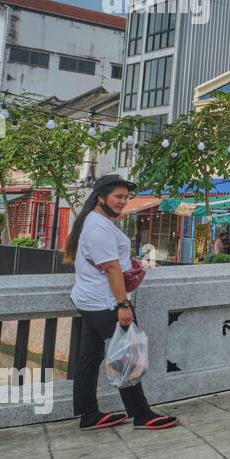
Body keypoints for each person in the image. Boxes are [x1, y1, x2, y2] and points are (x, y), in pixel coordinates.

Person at [63, 174, 179, 430]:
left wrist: (129, 265)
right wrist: (123, 306)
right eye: (118, 196)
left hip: (89, 299)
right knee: (129, 355)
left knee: (90, 357)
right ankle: (141, 414)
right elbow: (112, 268)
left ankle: (88, 413)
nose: (123, 201)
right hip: (106, 302)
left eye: (126, 197)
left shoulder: (96, 222)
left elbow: (113, 264)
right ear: (100, 197)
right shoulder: (97, 227)